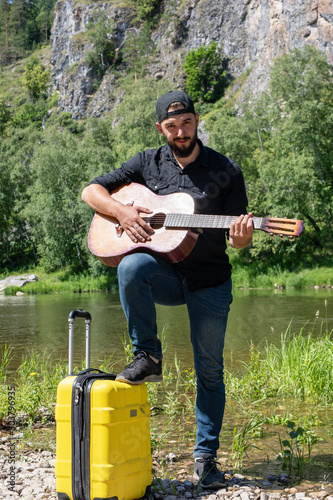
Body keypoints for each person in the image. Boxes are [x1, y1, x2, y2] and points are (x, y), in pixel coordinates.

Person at [82, 90, 253, 490]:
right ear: (161, 128)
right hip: (167, 275)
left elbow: (238, 241)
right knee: (130, 265)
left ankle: (205, 460)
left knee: (209, 370)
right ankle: (149, 354)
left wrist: (244, 236)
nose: (180, 132)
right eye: (172, 126)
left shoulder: (226, 170)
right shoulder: (147, 162)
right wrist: (123, 211)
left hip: (210, 280)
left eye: (187, 123)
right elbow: (92, 192)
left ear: (197, 121)